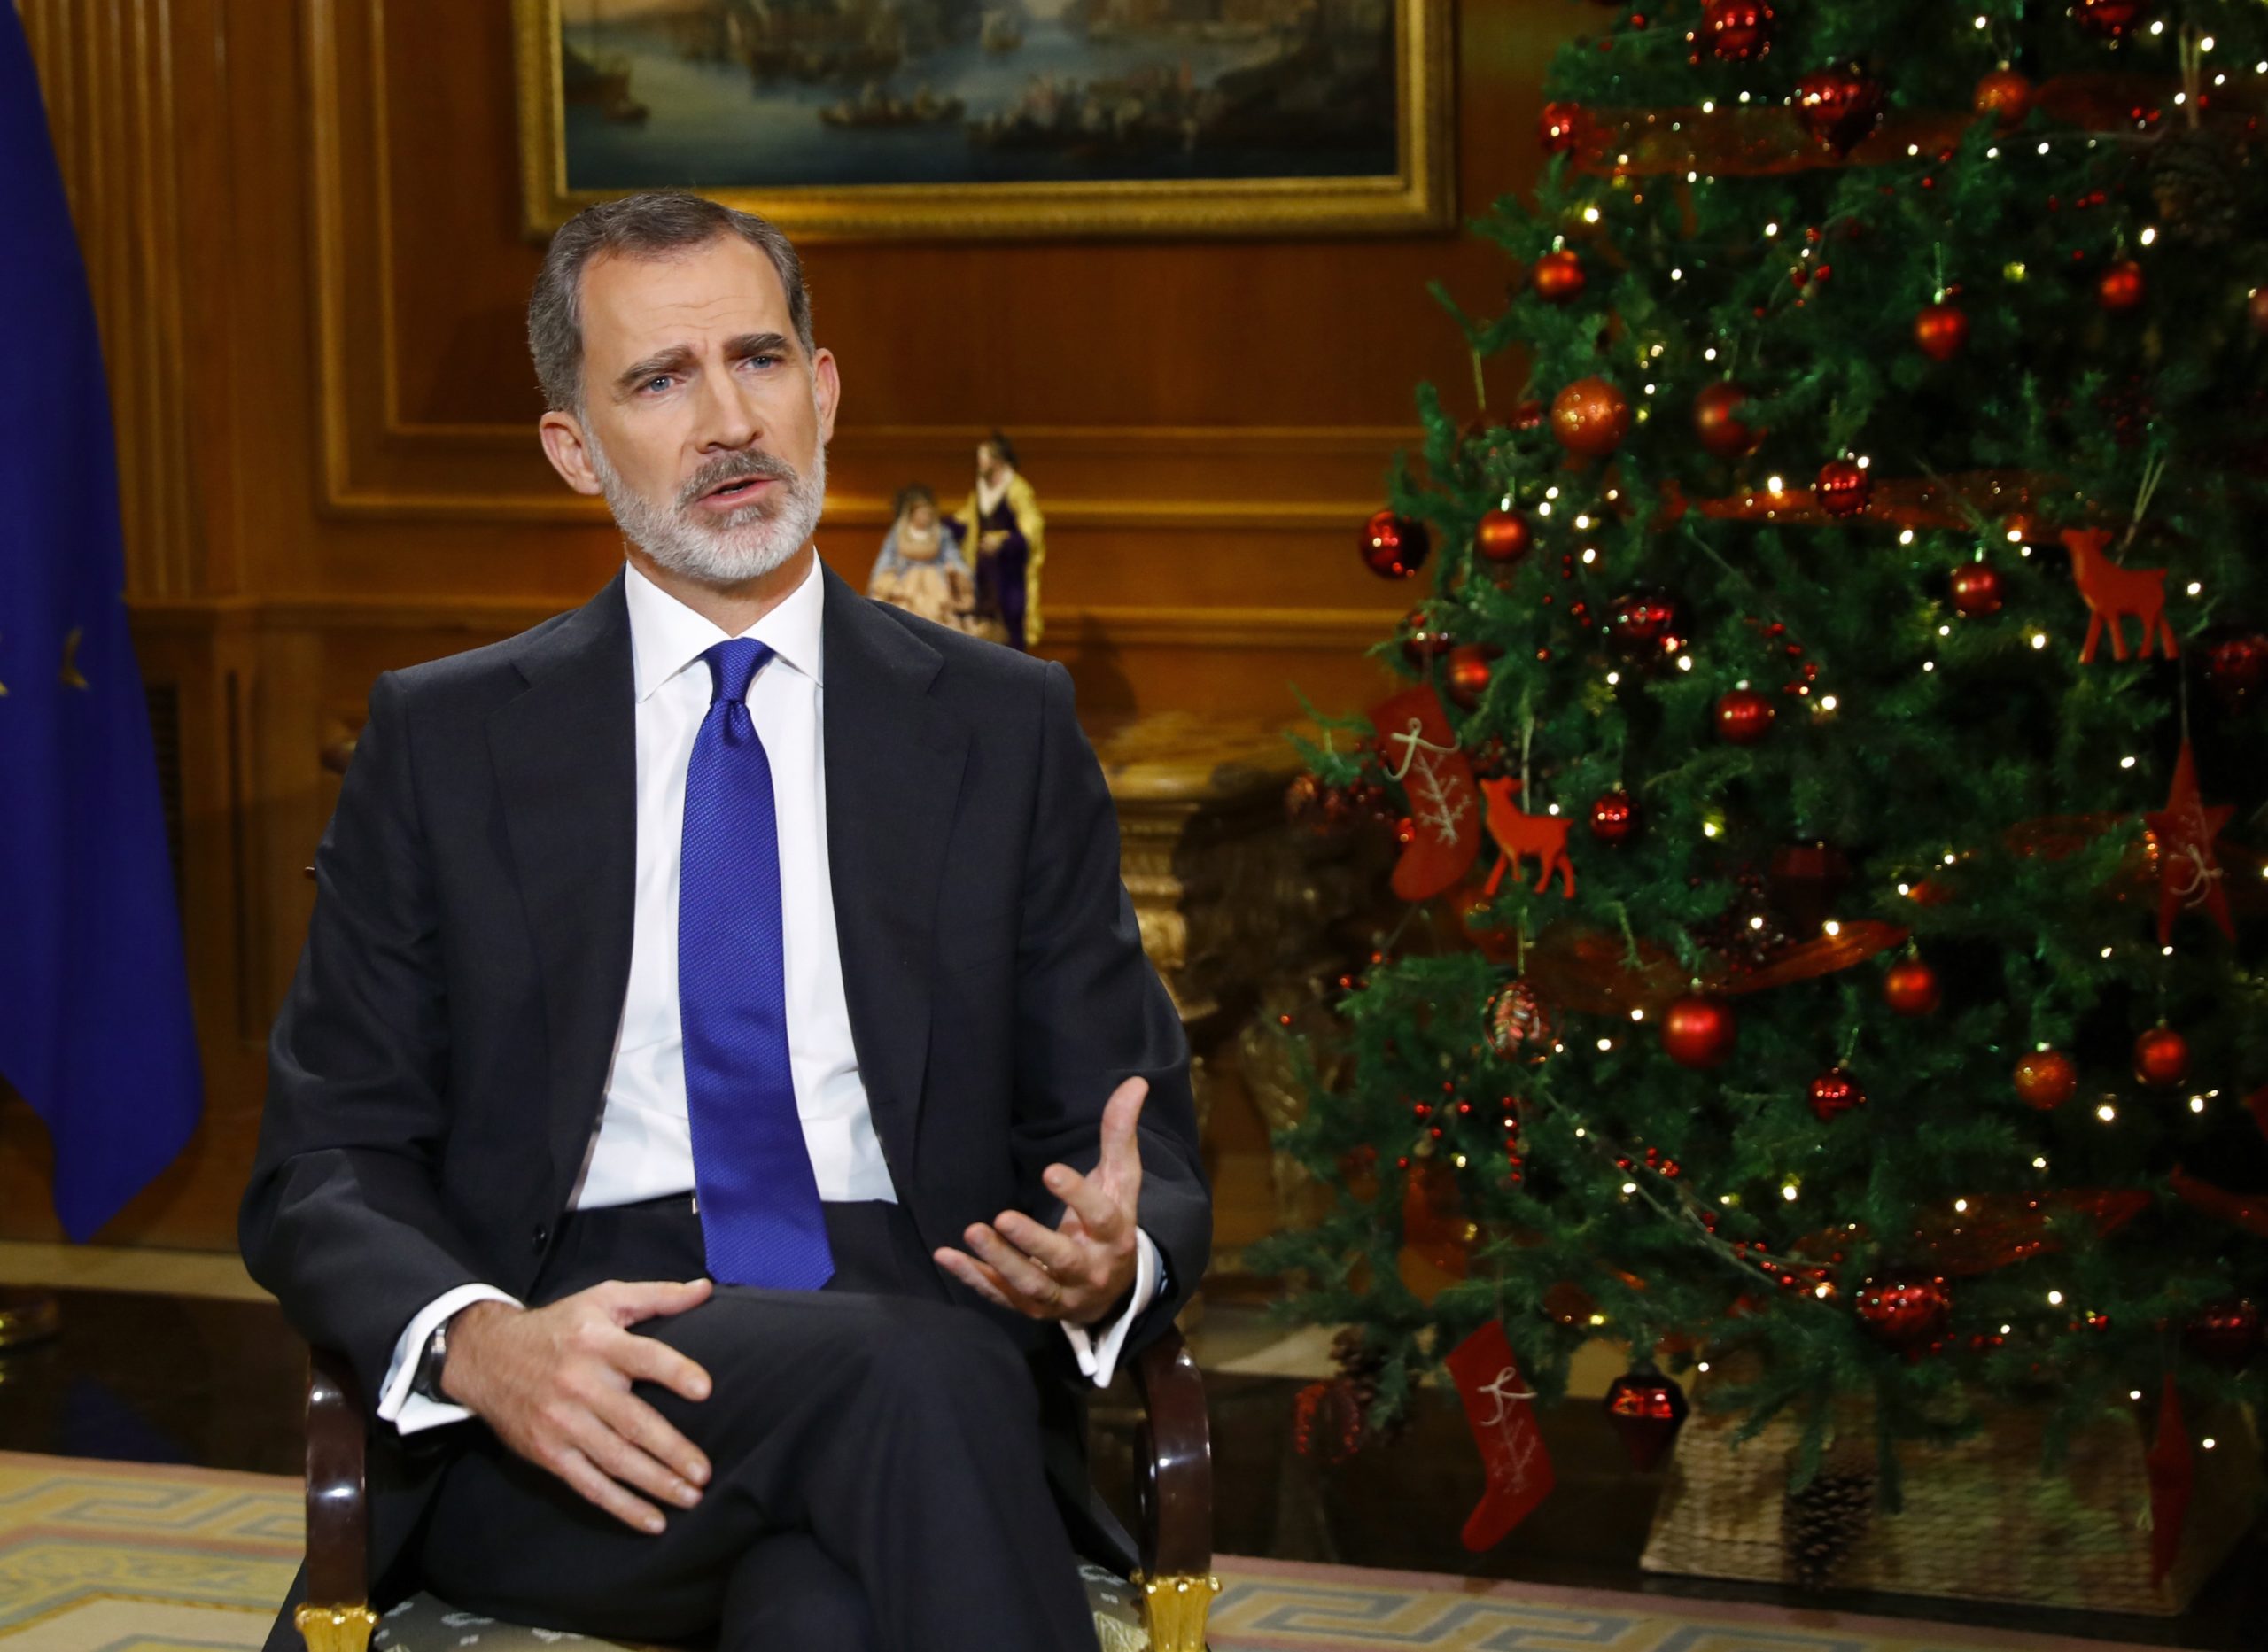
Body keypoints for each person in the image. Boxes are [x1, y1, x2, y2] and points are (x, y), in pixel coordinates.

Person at [240, 190, 1208, 1652]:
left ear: (821, 392)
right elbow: (325, 1156)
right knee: (924, 1392)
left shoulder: (1002, 730)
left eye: (757, 361)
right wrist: (482, 1344)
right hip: (578, 1394)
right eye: (657, 379)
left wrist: (1110, 1257)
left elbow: (1127, 1124)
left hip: (917, 1307)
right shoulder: (445, 744)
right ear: (575, 444)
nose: (728, 422)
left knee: (821, 1605)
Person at [953, 431, 1046, 652]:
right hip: (984, 572)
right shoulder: (980, 490)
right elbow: (967, 519)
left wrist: (1003, 541)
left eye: (983, 457)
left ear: (998, 461)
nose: (979, 463)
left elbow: (1031, 530)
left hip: (1009, 574)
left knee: (1011, 633)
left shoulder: (1017, 490)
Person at [866, 482, 976, 632]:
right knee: (905, 612)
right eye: (922, 512)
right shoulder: (898, 534)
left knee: (938, 613)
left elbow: (953, 557)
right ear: (912, 513)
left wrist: (956, 572)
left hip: (935, 584)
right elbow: (885, 561)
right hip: (906, 583)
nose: (926, 517)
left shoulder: (941, 534)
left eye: (928, 513)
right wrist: (885, 581)